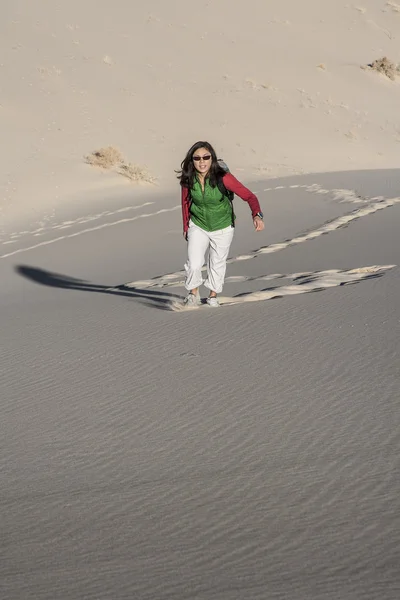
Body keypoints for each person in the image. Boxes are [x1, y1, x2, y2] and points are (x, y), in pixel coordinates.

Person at [177, 141, 264, 307]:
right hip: (198, 224)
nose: (202, 161)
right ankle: (193, 294)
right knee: (194, 263)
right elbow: (185, 203)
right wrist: (186, 227)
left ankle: (212, 296)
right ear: (192, 160)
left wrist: (257, 215)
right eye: (197, 158)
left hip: (223, 226)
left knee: (217, 263)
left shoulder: (224, 178)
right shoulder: (188, 179)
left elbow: (250, 196)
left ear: (212, 159)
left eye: (206, 157)